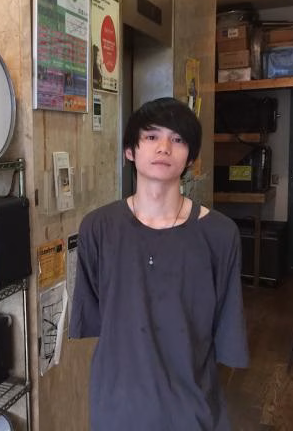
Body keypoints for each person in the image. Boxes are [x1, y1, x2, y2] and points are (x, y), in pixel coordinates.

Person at [69, 97, 249, 430]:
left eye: (177, 139)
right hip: (117, 405)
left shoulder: (220, 234)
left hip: (191, 407)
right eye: (151, 136)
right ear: (130, 150)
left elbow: (226, 324)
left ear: (191, 157)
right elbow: (97, 315)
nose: (164, 147)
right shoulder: (98, 228)